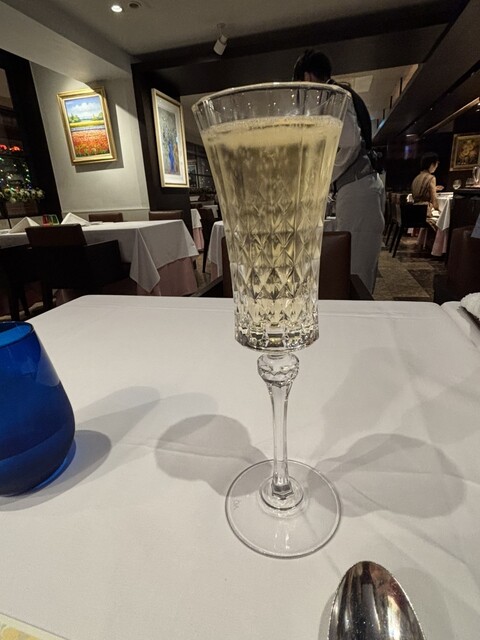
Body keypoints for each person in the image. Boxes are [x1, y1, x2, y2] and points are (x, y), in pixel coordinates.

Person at [293, 50, 385, 293]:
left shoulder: (333, 96)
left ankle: (358, 314)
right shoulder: (339, 94)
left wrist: (321, 179)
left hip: (357, 187)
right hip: (360, 186)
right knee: (358, 264)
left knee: (357, 267)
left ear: (308, 77)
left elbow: (350, 144)